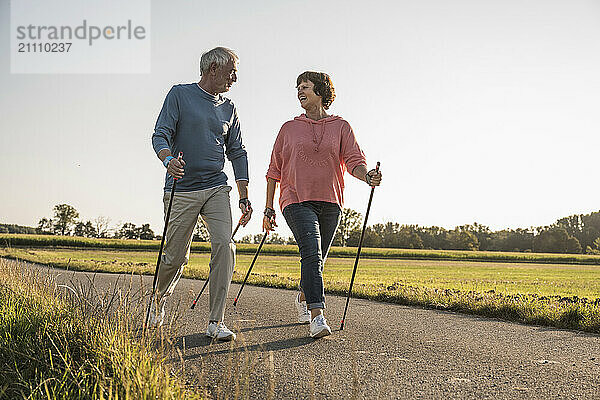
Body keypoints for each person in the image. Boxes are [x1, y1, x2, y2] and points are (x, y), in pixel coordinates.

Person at [263, 71, 382, 338]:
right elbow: (274, 170)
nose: (299, 91)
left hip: (330, 200)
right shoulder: (288, 128)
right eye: (297, 88)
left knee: (317, 259)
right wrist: (268, 208)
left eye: (304, 86)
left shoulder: (341, 126)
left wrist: (368, 177)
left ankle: (304, 297)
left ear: (320, 91)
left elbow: (353, 161)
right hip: (295, 198)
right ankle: (317, 315)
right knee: (312, 252)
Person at [150, 47, 252, 341]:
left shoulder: (229, 108)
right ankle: (158, 299)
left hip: (216, 187)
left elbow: (237, 151)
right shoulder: (179, 95)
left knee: (224, 245)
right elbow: (160, 134)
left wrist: (244, 195)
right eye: (232, 71)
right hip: (181, 188)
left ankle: (215, 321)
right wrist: (169, 161)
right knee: (175, 257)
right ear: (213, 69)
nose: (235, 77)